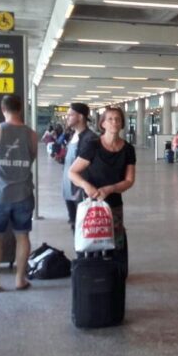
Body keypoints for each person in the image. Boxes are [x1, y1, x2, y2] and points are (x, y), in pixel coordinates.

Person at [0, 95, 38, 293]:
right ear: (20, 109)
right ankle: (20, 279)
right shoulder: (31, 134)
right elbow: (32, 157)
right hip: (23, 194)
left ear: (3, 109)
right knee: (23, 236)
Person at [68, 106, 136, 252]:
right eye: (110, 119)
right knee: (91, 240)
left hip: (114, 203)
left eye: (118, 119)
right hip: (92, 203)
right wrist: (86, 186)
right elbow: (73, 172)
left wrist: (111, 189)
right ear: (103, 124)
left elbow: (129, 180)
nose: (114, 122)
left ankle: (114, 272)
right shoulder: (93, 146)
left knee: (116, 242)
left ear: (122, 123)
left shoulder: (128, 149)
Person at [62, 103, 97, 231]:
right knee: (74, 225)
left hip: (80, 192)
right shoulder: (73, 136)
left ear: (81, 117)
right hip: (68, 190)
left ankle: (84, 252)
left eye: (70, 115)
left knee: (84, 229)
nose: (68, 118)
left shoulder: (90, 139)